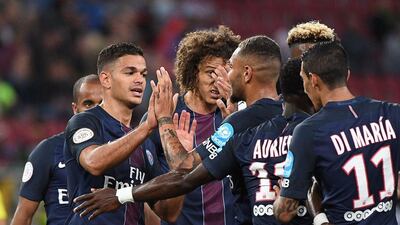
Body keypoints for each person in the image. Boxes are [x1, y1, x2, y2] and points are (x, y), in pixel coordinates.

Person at [73, 56, 314, 225]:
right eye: (211, 71)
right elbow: (171, 206)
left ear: (246, 73)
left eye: (227, 69)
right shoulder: (312, 127)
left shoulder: (237, 125)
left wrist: (120, 195)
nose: (220, 77)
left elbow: (185, 171)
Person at [273, 41, 400, 225]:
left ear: (314, 80)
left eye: (304, 80)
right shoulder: (392, 113)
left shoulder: (308, 131)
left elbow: (284, 213)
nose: (305, 88)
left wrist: (280, 201)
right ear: (347, 74)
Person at [63, 42, 180, 225]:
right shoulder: (85, 121)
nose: (139, 80)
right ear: (106, 79)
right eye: (130, 72)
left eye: (143, 74)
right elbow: (93, 162)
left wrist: (179, 162)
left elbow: (168, 212)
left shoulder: (144, 142)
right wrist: (146, 128)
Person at [146, 25, 241, 225]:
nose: (218, 82)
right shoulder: (166, 114)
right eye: (210, 73)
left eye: (225, 74)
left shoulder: (239, 115)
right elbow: (147, 187)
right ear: (192, 72)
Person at [10, 74, 103, 225]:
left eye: (102, 103)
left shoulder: (126, 150)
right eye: (88, 104)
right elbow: (23, 215)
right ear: (75, 108)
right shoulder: (48, 150)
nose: (95, 110)